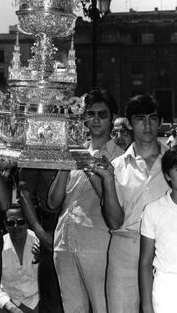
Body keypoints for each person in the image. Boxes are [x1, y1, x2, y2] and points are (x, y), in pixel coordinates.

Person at [48, 88, 123, 313]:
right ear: (84, 118)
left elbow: (115, 206)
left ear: (111, 119)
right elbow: (53, 203)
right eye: (91, 114)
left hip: (97, 245)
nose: (96, 119)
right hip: (64, 242)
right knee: (72, 308)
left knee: (102, 307)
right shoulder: (74, 149)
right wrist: (66, 163)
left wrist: (90, 167)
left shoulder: (120, 157)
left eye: (102, 114)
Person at [93, 94, 169, 313]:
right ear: (129, 123)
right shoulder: (117, 166)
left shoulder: (176, 163)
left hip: (163, 248)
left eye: (152, 119)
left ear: (160, 122)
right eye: (139, 119)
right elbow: (115, 222)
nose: (147, 125)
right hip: (125, 248)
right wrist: (107, 180)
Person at [139, 143, 177, 313]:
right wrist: (147, 306)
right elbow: (145, 262)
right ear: (168, 175)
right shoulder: (153, 210)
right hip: (166, 293)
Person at [19, 167, 63, 313]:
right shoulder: (37, 147)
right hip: (50, 223)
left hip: (83, 222)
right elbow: (24, 193)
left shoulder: (85, 147)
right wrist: (40, 232)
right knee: (52, 293)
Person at [0, 205, 39, 313]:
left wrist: (45, 259)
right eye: (11, 223)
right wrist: (10, 307)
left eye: (20, 221)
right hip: (9, 304)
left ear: (27, 223)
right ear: (5, 225)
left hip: (38, 301)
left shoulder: (40, 242)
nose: (16, 226)